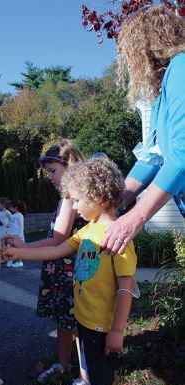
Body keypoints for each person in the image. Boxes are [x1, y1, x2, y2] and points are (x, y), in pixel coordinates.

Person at [0, 157, 138, 385]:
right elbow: (56, 250)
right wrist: (20, 252)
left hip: (101, 326)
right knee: (97, 373)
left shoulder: (118, 236)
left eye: (76, 200)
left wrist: (117, 330)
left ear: (98, 197)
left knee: (104, 379)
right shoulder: (88, 229)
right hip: (84, 320)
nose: (73, 207)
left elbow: (126, 289)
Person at [4, 139, 88, 385]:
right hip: (63, 270)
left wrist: (21, 251)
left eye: (53, 171)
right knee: (65, 322)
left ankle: (87, 378)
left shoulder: (71, 198)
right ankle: (63, 365)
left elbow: (58, 239)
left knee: (77, 324)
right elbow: (56, 238)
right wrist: (22, 245)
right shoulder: (68, 196)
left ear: (69, 166)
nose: (49, 177)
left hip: (72, 272)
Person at [102, 6, 185, 256]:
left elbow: (182, 155)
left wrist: (136, 217)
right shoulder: (162, 95)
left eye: (130, 52)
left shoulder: (182, 68)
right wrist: (112, 204)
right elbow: (152, 158)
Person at [7, 199, 27, 267]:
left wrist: (19, 237)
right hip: (12, 236)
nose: (10, 209)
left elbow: (21, 226)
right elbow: (12, 224)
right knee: (10, 248)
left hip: (18, 236)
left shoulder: (20, 215)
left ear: (16, 208)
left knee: (19, 249)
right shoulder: (14, 215)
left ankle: (19, 262)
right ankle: (10, 260)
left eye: (11, 207)